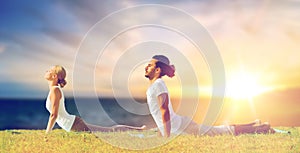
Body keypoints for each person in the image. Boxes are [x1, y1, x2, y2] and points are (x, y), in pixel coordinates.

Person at [144, 55, 275, 137]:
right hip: (178, 124)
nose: (146, 67)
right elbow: (160, 114)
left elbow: (164, 111)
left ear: (157, 70)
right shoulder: (156, 85)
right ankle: (253, 124)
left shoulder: (159, 85)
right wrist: (161, 133)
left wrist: (166, 136)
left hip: (180, 128)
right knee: (217, 130)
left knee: (220, 132)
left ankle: (261, 128)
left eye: (149, 65)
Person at [44, 65, 146, 134]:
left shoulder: (55, 91)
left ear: (54, 76)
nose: (46, 71)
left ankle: (139, 129)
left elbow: (54, 114)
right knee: (108, 131)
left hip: (73, 124)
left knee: (109, 131)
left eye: (49, 70)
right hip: (72, 123)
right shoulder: (54, 90)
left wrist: (47, 133)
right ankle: (139, 129)